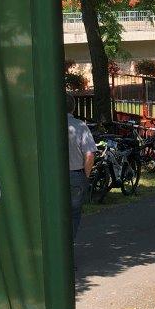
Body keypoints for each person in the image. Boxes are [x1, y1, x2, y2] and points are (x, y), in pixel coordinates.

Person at [66, 93, 96, 239]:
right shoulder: (80, 126)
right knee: (74, 213)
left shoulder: (48, 125)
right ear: (73, 108)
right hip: (75, 174)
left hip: (51, 176)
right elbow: (89, 155)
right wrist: (86, 175)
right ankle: (68, 245)